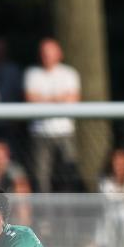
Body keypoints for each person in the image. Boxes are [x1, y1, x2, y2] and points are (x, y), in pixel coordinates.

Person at [24, 38, 81, 192]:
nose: (46, 56)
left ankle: (67, 207)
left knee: (67, 175)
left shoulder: (69, 73)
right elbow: (30, 99)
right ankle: (44, 208)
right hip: (39, 133)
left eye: (49, 53)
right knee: (40, 177)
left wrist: (43, 99)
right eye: (44, 53)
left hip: (65, 132)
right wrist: (59, 98)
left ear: (59, 54)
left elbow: (73, 100)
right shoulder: (32, 74)